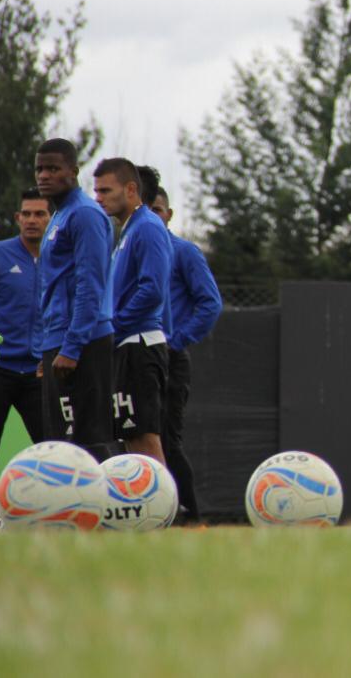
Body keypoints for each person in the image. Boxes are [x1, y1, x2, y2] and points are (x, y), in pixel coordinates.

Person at [36, 138, 116, 461]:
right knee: (60, 442)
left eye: (53, 168)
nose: (44, 175)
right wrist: (49, 345)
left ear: (73, 171)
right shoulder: (60, 215)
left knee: (89, 441)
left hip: (85, 342)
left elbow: (89, 285)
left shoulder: (84, 214)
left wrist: (71, 346)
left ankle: (106, 496)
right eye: (40, 169)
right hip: (59, 340)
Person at [150, 178, 222, 521]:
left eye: (157, 210)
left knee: (166, 439)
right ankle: (150, 514)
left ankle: (191, 518)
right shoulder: (125, 250)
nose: (152, 216)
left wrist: (175, 341)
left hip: (168, 358)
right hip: (132, 356)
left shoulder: (183, 252)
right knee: (135, 438)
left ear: (169, 214)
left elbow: (210, 304)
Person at [93, 157, 172, 464]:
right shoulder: (128, 230)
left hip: (140, 345)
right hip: (126, 345)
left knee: (145, 439)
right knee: (132, 438)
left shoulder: (148, 227)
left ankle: (162, 497)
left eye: (105, 190)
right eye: (96, 191)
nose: (99, 198)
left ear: (130, 189)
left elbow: (152, 289)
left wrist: (115, 326)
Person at [0, 189, 50, 482]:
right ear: (17, 218)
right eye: (26, 214)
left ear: (51, 219)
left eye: (40, 214)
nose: (32, 220)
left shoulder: (59, 259)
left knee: (55, 448)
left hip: (38, 371)